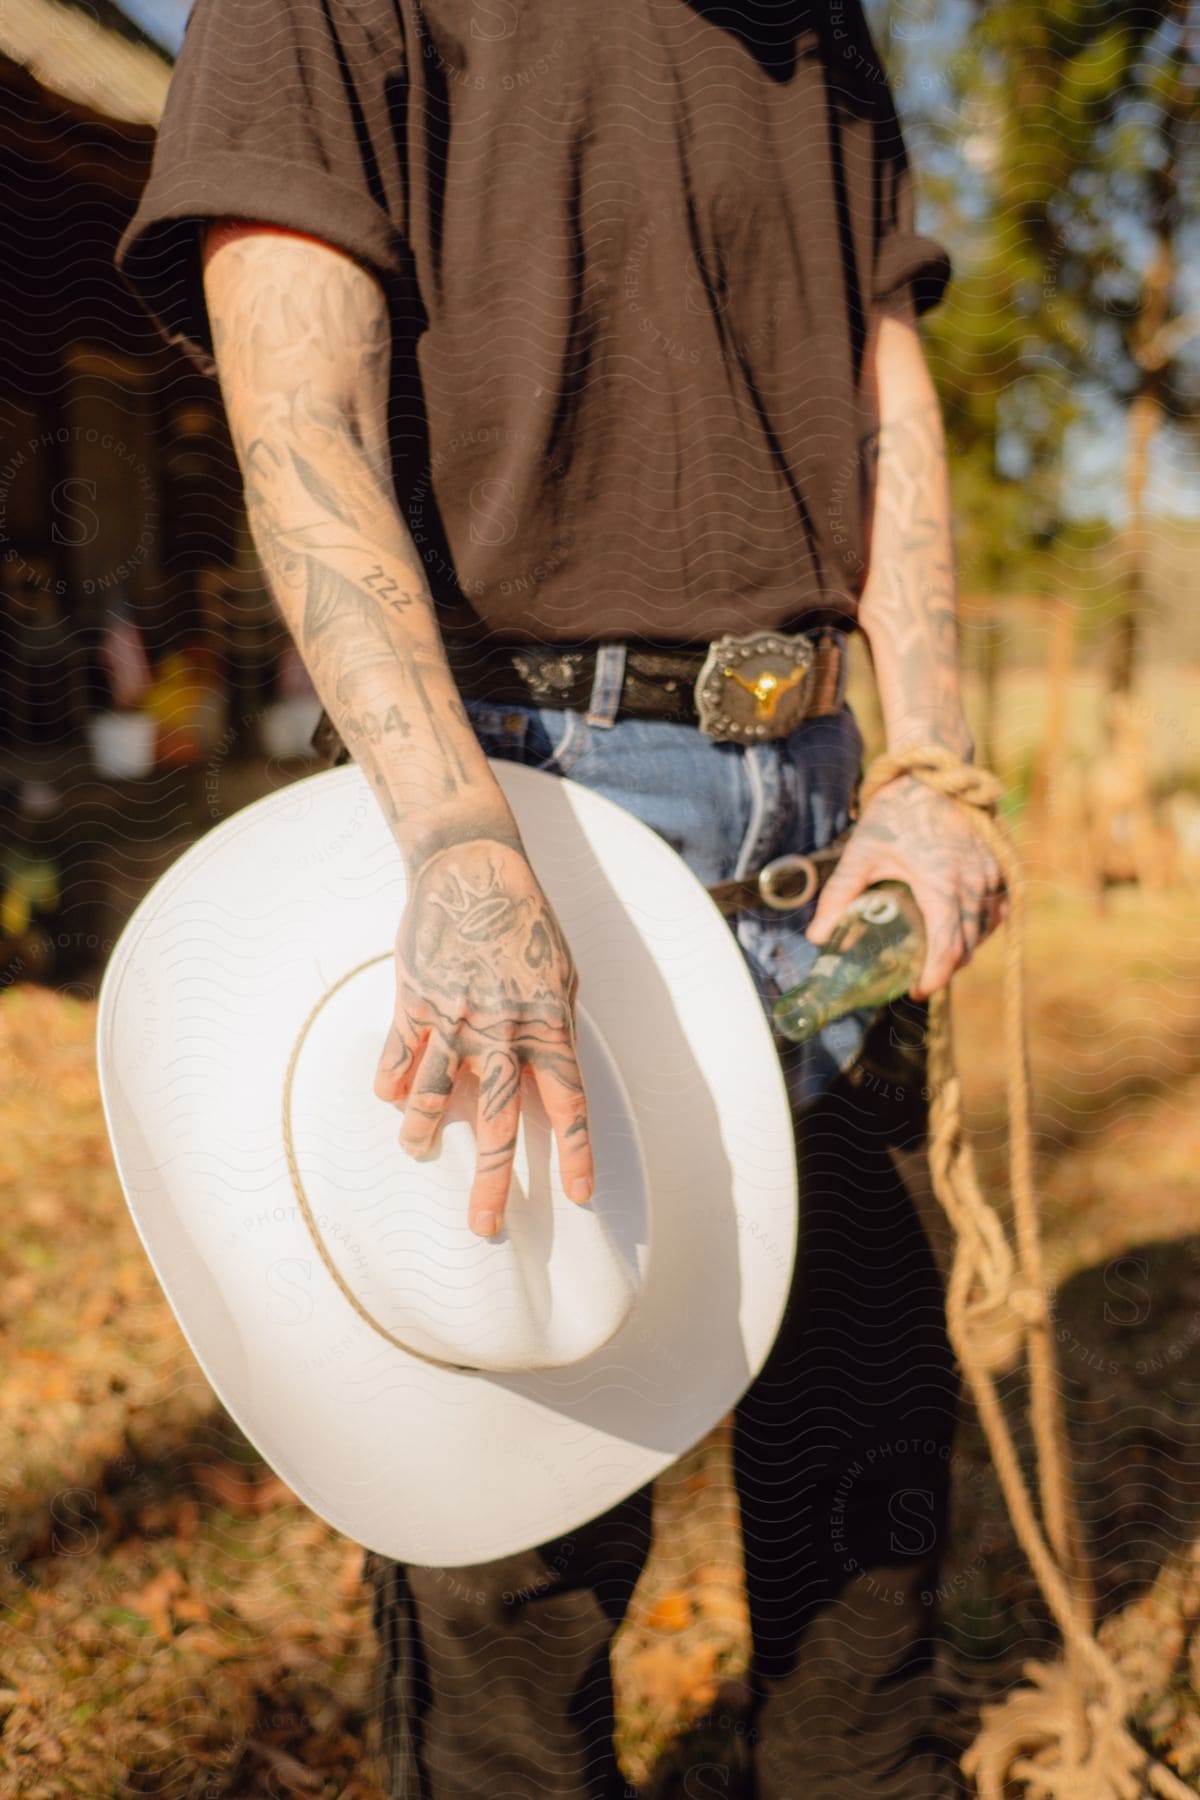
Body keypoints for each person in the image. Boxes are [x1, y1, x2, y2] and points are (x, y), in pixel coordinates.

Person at [114, 2, 1006, 1793]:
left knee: (870, 1468)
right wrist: (457, 842)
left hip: (822, 813)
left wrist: (930, 766)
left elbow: (881, 389)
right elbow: (300, 406)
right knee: (518, 1531)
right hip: (529, 796)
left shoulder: (815, 23)